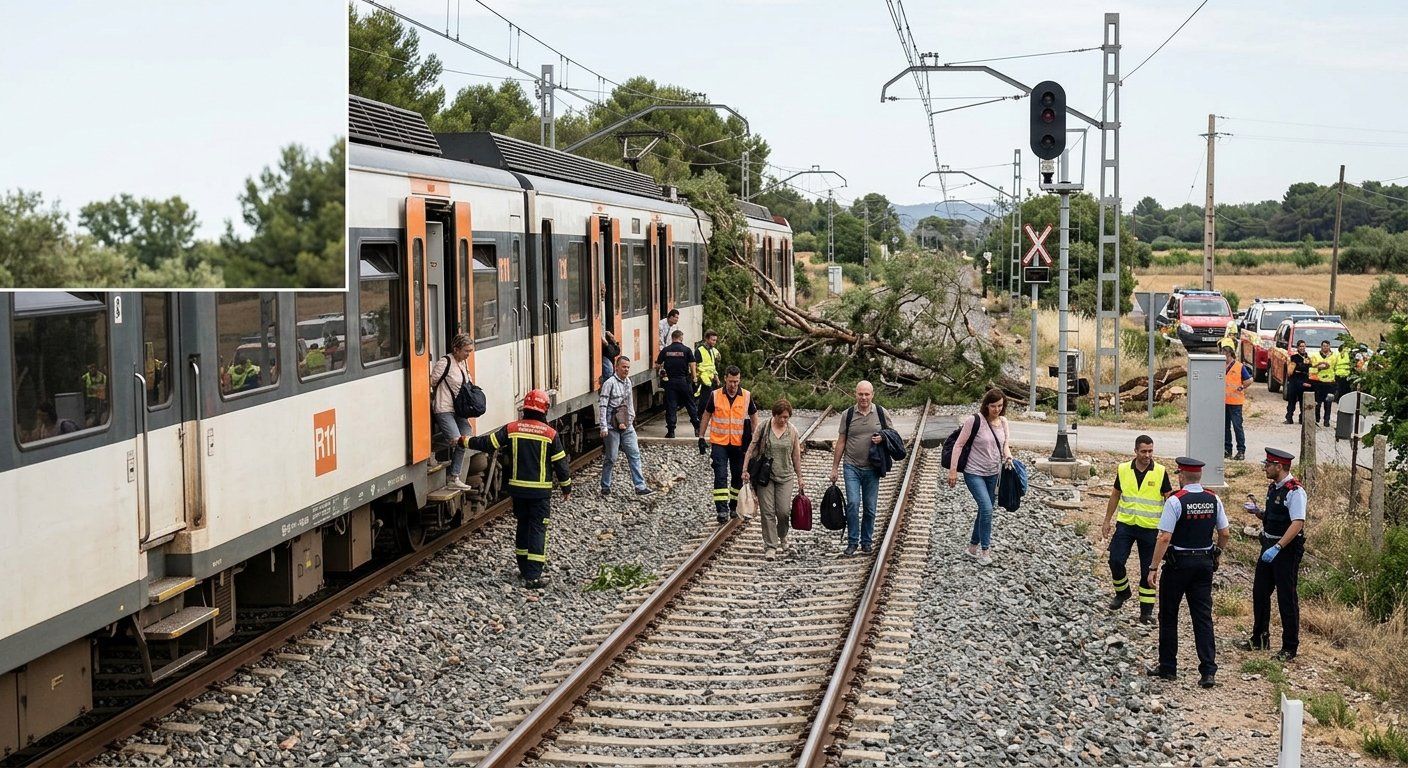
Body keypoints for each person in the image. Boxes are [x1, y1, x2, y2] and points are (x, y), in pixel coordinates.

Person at [459, 389, 571, 589]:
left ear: (525, 408)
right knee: (537, 528)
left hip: (518, 491)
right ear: (544, 410)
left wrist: (464, 440)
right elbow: (561, 464)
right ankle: (533, 576)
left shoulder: (512, 428)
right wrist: (566, 487)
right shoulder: (550, 434)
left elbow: (488, 443)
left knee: (522, 525)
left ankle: (523, 568)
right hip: (540, 493)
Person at [1146, 457, 1229, 689]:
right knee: (1202, 617)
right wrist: (1217, 554)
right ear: (1199, 476)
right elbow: (1225, 532)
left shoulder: (1175, 501)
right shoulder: (1213, 499)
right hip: (1203, 564)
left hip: (1178, 564)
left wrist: (1153, 566)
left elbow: (1164, 537)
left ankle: (1168, 667)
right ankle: (1208, 671)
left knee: (1169, 615)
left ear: (1181, 475)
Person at [1100, 435, 1174, 625]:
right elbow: (1115, 494)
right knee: (1115, 560)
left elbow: (1170, 499)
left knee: (1147, 570)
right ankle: (1122, 592)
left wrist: (1170, 529)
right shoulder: (1124, 469)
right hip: (1126, 524)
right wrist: (1107, 520)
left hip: (1150, 529)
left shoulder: (1160, 471)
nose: (1147, 455)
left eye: (1150, 451)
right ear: (1135, 451)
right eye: (1144, 451)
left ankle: (1146, 612)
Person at [1243, 447, 1307, 662]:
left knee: (1286, 598)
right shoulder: (1274, 488)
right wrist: (1258, 512)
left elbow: (1297, 523)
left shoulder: (1294, 491)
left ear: (1279, 466)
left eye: (1268, 465)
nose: (1265, 468)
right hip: (1268, 545)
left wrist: (1278, 547)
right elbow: (1274, 517)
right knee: (1260, 593)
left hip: (1286, 550)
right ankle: (1260, 637)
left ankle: (1290, 647)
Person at [946, 388, 1014, 566]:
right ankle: (985, 550)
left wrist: (1008, 457)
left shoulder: (1004, 422)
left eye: (1000, 406)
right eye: (993, 406)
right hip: (973, 472)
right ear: (986, 405)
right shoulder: (974, 421)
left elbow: (1005, 444)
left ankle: (971, 548)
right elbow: (958, 445)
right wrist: (953, 471)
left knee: (985, 509)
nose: (997, 409)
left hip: (993, 472)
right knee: (986, 508)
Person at [742, 398, 805, 561]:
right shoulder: (764, 427)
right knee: (767, 512)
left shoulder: (792, 431)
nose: (784, 420)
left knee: (783, 511)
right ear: (774, 415)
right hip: (765, 476)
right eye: (781, 417)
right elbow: (751, 448)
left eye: (787, 417)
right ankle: (770, 546)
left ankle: (782, 535)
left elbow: (796, 456)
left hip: (785, 476)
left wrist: (800, 477)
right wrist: (745, 469)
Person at [832, 380, 889, 557]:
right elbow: (841, 442)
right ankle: (852, 542)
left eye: (867, 394)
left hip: (872, 468)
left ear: (872, 395)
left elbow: (893, 436)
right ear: (855, 394)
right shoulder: (847, 415)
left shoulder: (881, 413)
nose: (863, 397)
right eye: (860, 394)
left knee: (870, 507)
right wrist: (834, 468)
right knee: (853, 504)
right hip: (852, 467)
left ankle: (866, 542)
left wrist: (883, 438)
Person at [699, 365, 759, 523]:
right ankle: (721, 510)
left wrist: (755, 438)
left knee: (737, 477)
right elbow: (706, 414)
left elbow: (754, 416)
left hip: (738, 443)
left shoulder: (746, 396)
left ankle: (733, 506)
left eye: (737, 382)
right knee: (720, 475)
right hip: (719, 442)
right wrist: (701, 436)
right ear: (725, 378)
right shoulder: (715, 395)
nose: (733, 385)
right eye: (731, 381)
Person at [598, 355, 655, 497]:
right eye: (624, 367)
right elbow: (603, 405)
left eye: (628, 367)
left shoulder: (628, 382)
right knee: (611, 457)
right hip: (612, 425)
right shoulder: (609, 383)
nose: (626, 370)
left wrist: (631, 418)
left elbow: (629, 401)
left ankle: (640, 486)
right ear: (616, 367)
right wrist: (603, 426)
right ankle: (605, 485)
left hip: (626, 424)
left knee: (634, 453)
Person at [431, 334, 476, 490]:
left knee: (466, 437)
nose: (468, 354)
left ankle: (454, 477)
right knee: (458, 440)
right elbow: (431, 382)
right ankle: (431, 447)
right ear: (456, 349)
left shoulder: (462, 364)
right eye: (466, 351)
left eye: (470, 351)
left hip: (457, 410)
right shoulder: (445, 362)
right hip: (444, 408)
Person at [655, 329, 699, 439]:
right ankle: (697, 428)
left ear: (672, 338)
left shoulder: (666, 350)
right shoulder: (687, 350)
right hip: (684, 381)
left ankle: (671, 431)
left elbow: (658, 365)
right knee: (690, 405)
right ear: (681, 338)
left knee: (671, 406)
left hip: (671, 382)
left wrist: (661, 374)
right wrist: (694, 379)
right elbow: (692, 365)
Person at [694, 331, 723, 454]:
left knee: (710, 404)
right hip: (703, 381)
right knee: (703, 405)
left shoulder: (712, 350)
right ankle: (699, 427)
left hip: (710, 380)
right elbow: (695, 365)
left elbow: (712, 366)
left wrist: (717, 379)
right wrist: (695, 378)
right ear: (706, 339)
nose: (713, 342)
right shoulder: (699, 350)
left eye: (715, 340)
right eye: (712, 340)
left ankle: (703, 427)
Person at [1223, 345, 1253, 461]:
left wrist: (1242, 387)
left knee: (1237, 426)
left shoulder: (1239, 366)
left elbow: (1249, 380)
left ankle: (1241, 450)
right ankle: (1227, 449)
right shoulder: (1221, 366)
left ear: (1229, 354)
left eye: (1224, 353)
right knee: (1225, 427)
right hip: (1223, 402)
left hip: (1235, 402)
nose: (1222, 356)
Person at [1309, 339, 1337, 427]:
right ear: (1321, 347)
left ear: (1329, 347)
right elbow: (1311, 369)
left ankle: (1326, 420)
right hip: (1319, 382)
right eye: (1324, 346)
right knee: (1318, 403)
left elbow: (1336, 369)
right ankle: (1317, 418)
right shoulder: (1315, 356)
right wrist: (1318, 368)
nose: (1325, 347)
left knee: (1328, 403)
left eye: (1327, 346)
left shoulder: (1334, 356)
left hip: (1330, 382)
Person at [1284, 339, 1310, 425]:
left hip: (1304, 380)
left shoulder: (1308, 357)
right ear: (1298, 347)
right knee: (1292, 401)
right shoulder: (1294, 357)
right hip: (1294, 381)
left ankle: (1302, 418)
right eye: (1300, 346)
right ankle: (1289, 418)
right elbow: (1290, 372)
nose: (1302, 348)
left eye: (1303, 346)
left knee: (1303, 401)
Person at [1334, 338, 1354, 402]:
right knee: (1346, 389)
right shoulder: (1348, 353)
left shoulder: (1337, 355)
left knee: (1339, 389)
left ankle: (1339, 400)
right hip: (1346, 374)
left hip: (1338, 375)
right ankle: (1344, 401)